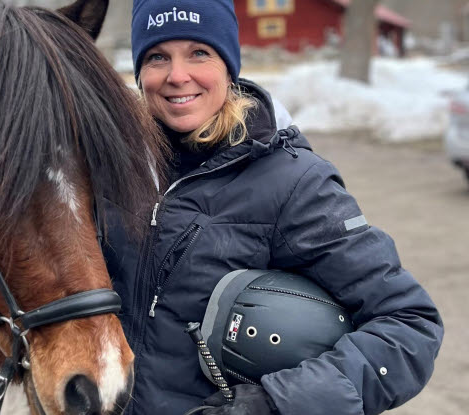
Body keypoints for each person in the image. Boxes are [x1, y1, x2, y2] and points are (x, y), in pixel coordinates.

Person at [99, 1, 444, 414]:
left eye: (199, 53)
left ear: (229, 65)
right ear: (139, 72)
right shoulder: (104, 170)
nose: (177, 76)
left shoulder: (293, 182)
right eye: (157, 57)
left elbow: (409, 326)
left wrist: (274, 404)